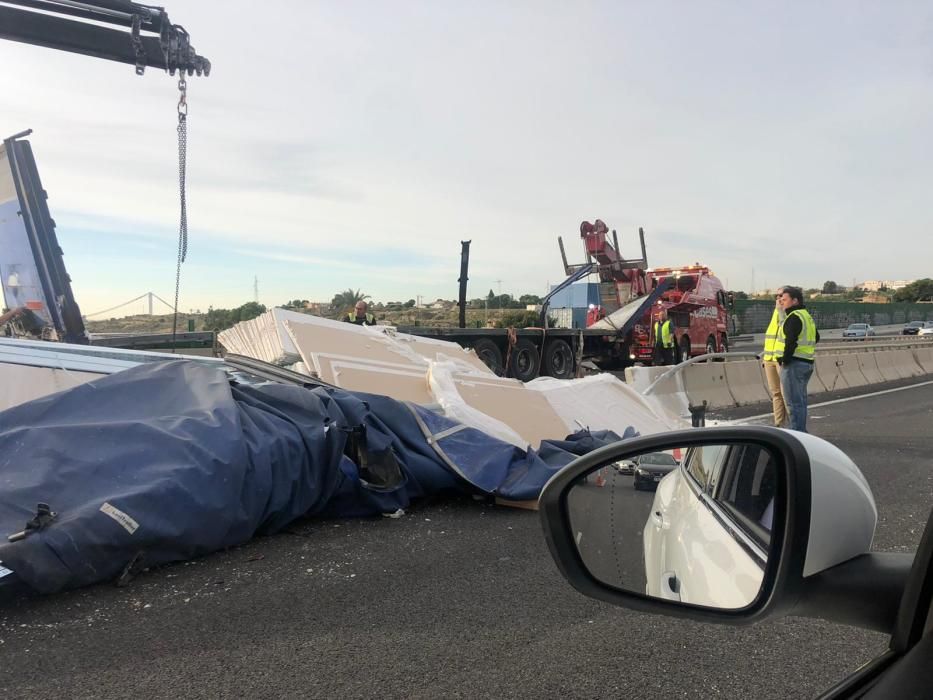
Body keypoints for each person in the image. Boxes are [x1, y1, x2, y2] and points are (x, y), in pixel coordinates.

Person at [776, 286, 820, 432]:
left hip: (794, 364)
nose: (782, 302)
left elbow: (790, 342)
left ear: (795, 301)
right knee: (800, 402)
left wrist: (784, 360)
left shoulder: (793, 317)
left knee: (793, 404)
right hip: (807, 363)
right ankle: (802, 433)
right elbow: (816, 337)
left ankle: (797, 435)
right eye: (781, 300)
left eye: (785, 299)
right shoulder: (806, 316)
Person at [761, 288, 788, 428]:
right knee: (776, 393)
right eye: (777, 296)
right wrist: (765, 357)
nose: (778, 299)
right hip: (769, 358)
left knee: (786, 394)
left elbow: (786, 330)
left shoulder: (790, 313)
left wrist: (781, 311)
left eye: (782, 296)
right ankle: (779, 425)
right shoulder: (775, 313)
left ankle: (795, 427)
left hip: (782, 359)